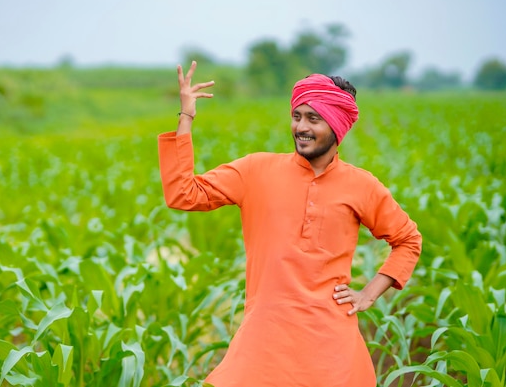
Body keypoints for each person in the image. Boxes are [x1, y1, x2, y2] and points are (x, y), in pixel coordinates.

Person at [157, 61, 422, 386]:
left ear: (338, 126)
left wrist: (369, 294)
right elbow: (184, 194)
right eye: (297, 116)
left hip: (331, 346)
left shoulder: (361, 186)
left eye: (314, 118)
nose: (301, 127)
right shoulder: (256, 170)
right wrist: (186, 117)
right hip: (264, 339)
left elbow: (408, 239)